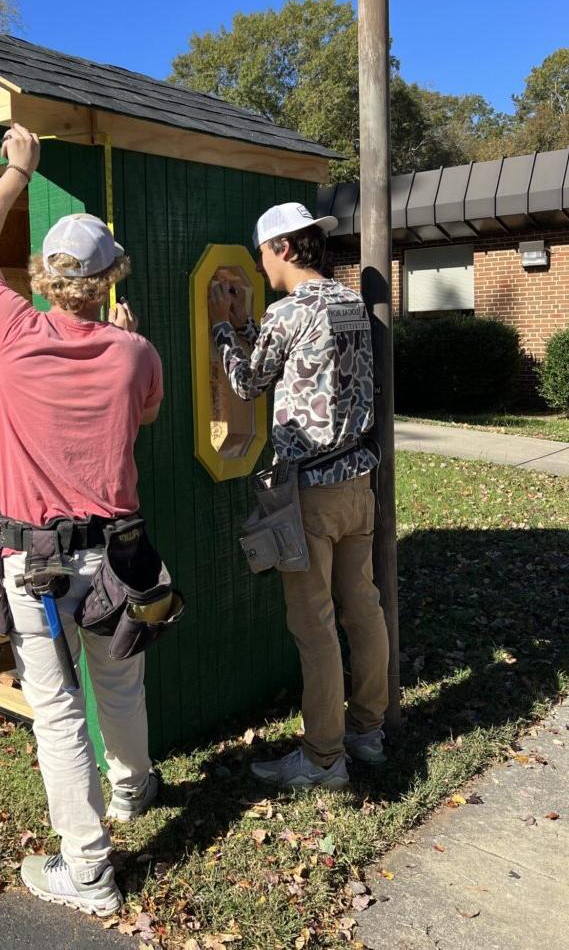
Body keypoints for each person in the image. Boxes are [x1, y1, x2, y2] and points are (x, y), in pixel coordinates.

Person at [0, 123, 164, 916]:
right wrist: (122, 337)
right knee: (121, 682)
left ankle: (90, 874)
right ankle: (135, 789)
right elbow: (142, 417)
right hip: (120, 556)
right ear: (110, 280)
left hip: (33, 562)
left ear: (43, 277)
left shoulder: (10, 334)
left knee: (58, 712)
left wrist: (17, 171)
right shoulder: (135, 352)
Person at [208, 202, 389, 791]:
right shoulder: (351, 303)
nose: (260, 267)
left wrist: (223, 326)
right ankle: (368, 731)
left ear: (282, 248)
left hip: (309, 493)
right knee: (363, 611)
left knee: (314, 628)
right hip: (357, 484)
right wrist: (246, 324)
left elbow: (246, 381)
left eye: (261, 254)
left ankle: (322, 758)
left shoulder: (288, 313)